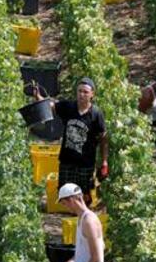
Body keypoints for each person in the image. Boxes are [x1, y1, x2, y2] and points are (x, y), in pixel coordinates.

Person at [37, 78, 108, 208]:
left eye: (85, 92)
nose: (82, 94)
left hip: (85, 162)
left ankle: (83, 217)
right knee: (65, 192)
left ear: (92, 94)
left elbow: (103, 138)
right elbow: (51, 106)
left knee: (84, 194)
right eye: (79, 91)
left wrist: (104, 161)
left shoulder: (96, 114)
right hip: (67, 160)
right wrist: (39, 97)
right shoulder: (68, 107)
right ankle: (73, 215)